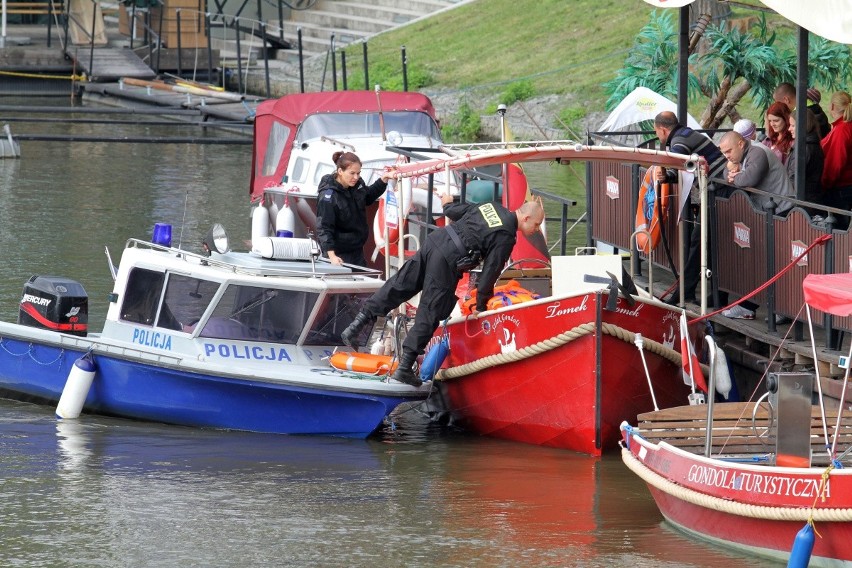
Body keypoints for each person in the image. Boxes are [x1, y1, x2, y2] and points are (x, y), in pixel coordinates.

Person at [341, 197, 545, 386]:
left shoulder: (491, 206)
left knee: (400, 285)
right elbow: (490, 272)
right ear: (526, 218)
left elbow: (456, 211)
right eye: (536, 225)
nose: (536, 230)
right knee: (431, 310)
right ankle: (404, 368)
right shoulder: (506, 235)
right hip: (449, 259)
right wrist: (481, 305)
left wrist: (447, 204)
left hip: (436, 241)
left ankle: (355, 326)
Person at [652, 111, 728, 305]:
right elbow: (686, 168)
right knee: (703, 241)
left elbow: (680, 164)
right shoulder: (687, 133)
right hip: (716, 189)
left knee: (699, 240)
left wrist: (668, 174)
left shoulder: (678, 141)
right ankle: (699, 291)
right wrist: (669, 176)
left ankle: (686, 291)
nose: (659, 137)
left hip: (718, 191)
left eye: (657, 132)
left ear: (662, 129)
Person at [718, 131, 795, 319]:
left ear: (741, 144)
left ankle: (779, 309)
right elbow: (724, 172)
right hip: (768, 212)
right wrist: (732, 171)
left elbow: (748, 180)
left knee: (775, 262)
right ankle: (751, 307)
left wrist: (734, 176)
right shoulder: (744, 154)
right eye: (724, 152)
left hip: (782, 212)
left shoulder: (757, 152)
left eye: (729, 151)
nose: (727, 156)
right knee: (762, 261)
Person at [315, 151, 392, 267]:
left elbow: (368, 197)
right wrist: (332, 256)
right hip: (338, 254)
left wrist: (384, 179)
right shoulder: (329, 196)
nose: (356, 177)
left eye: (358, 173)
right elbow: (324, 228)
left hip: (357, 250)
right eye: (352, 173)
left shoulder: (357, 185)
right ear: (340, 171)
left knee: (360, 282)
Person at [820, 91, 852, 215]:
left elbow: (836, 164)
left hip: (841, 188)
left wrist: (825, 183)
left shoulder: (841, 130)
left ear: (832, 106)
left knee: (838, 229)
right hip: (845, 186)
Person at [785, 111, 824, 209]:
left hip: (803, 202)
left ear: (802, 126)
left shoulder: (804, 148)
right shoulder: (811, 145)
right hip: (809, 199)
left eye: (793, 126)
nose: (789, 129)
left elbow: (793, 178)